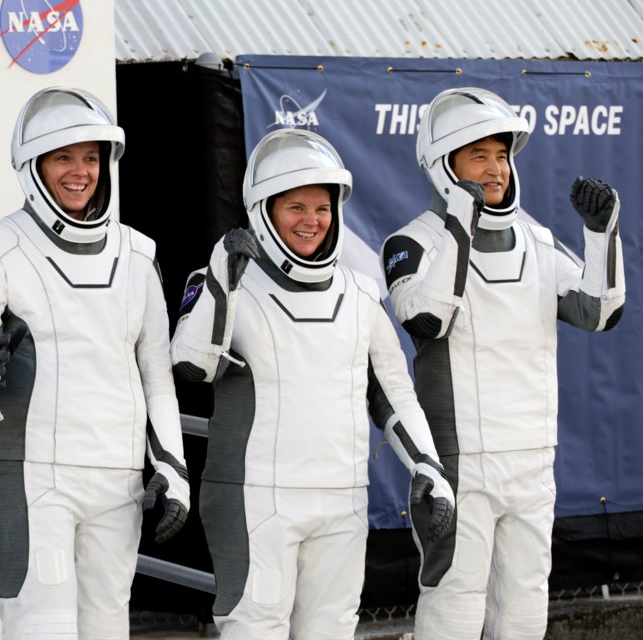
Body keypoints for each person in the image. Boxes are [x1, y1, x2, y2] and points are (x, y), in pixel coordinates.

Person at [170, 128, 454, 639]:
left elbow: (393, 393)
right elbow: (192, 369)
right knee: (254, 627)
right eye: (295, 206)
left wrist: (427, 466)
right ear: (263, 210)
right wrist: (221, 280)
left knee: (331, 630)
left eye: (321, 208)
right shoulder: (218, 283)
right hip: (256, 498)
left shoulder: (361, 291)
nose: (312, 220)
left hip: (343, 499)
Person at [0, 86, 190, 639]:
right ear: (34, 166)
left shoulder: (137, 253)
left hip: (118, 478)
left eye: (91, 158)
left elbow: (157, 374)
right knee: (40, 625)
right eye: (64, 157)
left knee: (106, 627)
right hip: (32, 476)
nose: (80, 172)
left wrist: (173, 468)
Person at [380, 87, 625, 640]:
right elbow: (427, 321)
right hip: (460, 464)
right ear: (444, 166)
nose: (495, 170)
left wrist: (600, 233)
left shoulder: (537, 240)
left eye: (501, 155)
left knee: (523, 607)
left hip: (533, 462)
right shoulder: (410, 244)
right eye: (478, 156)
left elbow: (599, 312)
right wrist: (460, 222)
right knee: (455, 602)